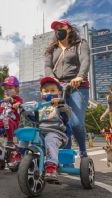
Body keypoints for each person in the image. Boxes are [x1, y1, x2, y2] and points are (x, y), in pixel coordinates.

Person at [44, 19, 90, 158]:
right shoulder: (51, 49)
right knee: (61, 123)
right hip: (58, 88)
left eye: (61, 27)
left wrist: (80, 76)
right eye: (56, 28)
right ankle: (66, 158)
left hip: (77, 87)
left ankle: (82, 151)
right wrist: (53, 79)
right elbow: (47, 67)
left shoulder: (80, 43)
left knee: (75, 123)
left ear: (69, 28)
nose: (58, 30)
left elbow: (85, 60)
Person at [37, 77, 71, 183]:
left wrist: (60, 104)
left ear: (59, 92)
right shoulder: (40, 106)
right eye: (46, 91)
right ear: (41, 93)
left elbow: (68, 114)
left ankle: (51, 167)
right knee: (26, 133)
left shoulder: (60, 105)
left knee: (50, 139)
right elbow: (32, 118)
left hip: (56, 133)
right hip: (40, 132)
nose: (49, 93)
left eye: (52, 90)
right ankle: (19, 156)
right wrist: (23, 109)